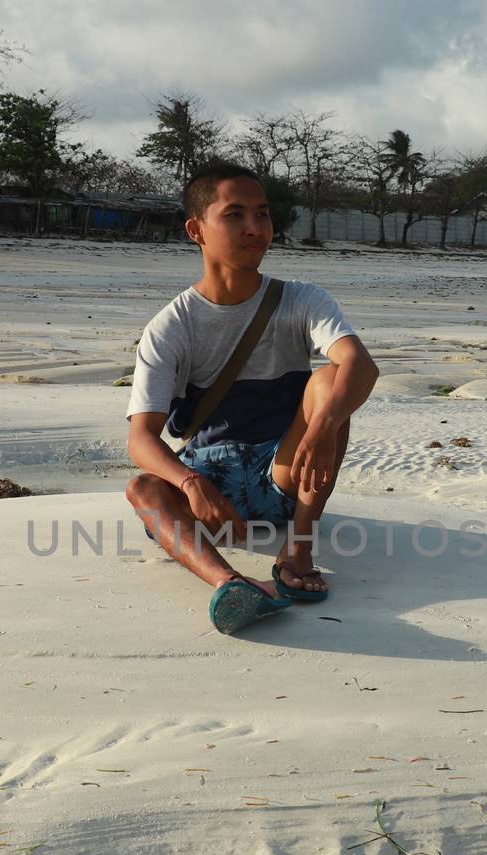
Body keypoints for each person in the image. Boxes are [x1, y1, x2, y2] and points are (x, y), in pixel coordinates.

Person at [125, 161, 379, 634]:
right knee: (143, 487)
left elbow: (361, 366)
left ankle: (298, 549)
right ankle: (233, 584)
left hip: (286, 472)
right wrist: (189, 484)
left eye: (262, 215)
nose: (254, 228)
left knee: (330, 382)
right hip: (211, 487)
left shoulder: (301, 299)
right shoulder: (171, 326)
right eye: (235, 215)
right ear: (196, 230)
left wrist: (324, 425)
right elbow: (141, 438)